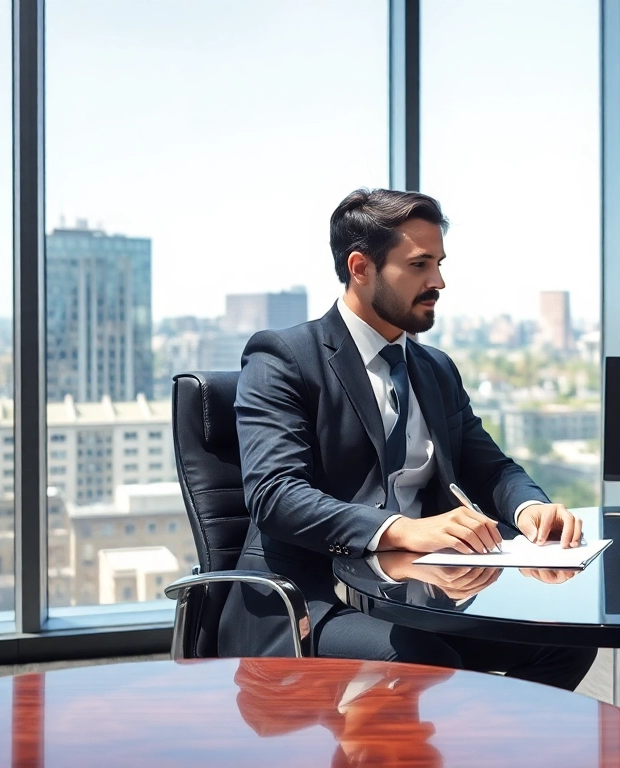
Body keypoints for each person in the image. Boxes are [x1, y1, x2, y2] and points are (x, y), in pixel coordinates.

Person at [219, 187, 596, 691]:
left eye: (439, 264)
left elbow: (491, 468)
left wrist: (529, 510)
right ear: (361, 267)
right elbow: (276, 496)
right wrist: (403, 529)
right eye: (419, 265)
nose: (438, 281)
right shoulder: (283, 358)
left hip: (423, 593)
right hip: (312, 601)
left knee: (564, 640)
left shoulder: (434, 368)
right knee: (425, 658)